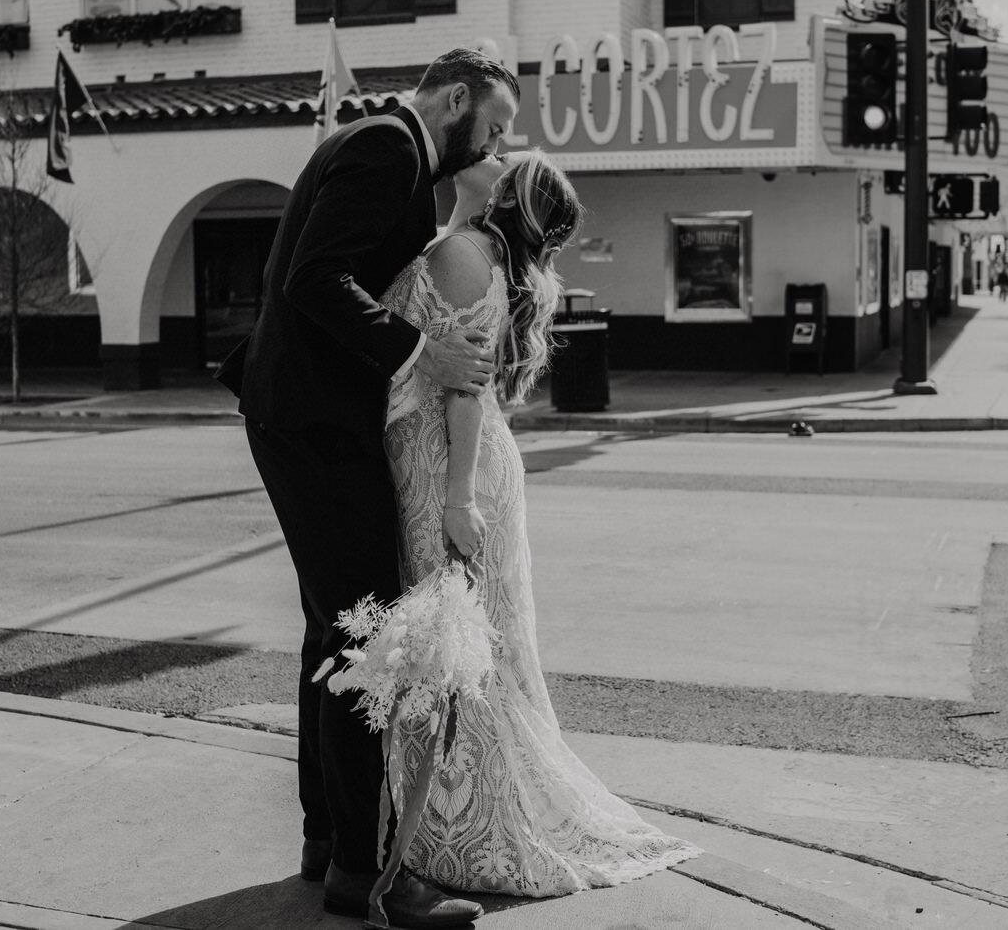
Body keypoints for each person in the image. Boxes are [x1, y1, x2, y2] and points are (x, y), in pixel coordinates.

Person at [236, 48, 520, 929]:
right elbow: (314, 279)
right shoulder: (388, 149)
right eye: (497, 126)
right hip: (315, 422)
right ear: (457, 100)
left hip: (299, 414)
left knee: (338, 629)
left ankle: (330, 839)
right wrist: (419, 349)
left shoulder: (378, 145)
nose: (500, 141)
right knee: (374, 635)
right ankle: (371, 873)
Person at [376, 151, 702, 897]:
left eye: (499, 157)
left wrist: (458, 500)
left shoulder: (462, 253)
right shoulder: (472, 246)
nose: (486, 154)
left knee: (456, 645)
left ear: (506, 192)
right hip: (454, 459)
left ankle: (471, 829)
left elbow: (462, 388)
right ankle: (445, 820)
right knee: (462, 645)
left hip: (449, 466)